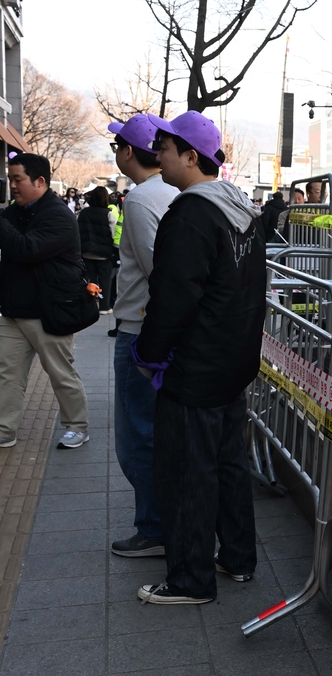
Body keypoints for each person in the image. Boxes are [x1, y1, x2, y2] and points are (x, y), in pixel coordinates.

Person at [131, 111, 265, 605]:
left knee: (188, 471)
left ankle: (190, 579)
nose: (158, 156)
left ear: (191, 156)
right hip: (233, 363)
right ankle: (237, 558)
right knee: (229, 464)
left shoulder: (189, 214)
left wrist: (147, 352)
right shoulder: (243, 210)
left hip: (195, 366)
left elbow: (173, 298)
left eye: (164, 148)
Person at [108, 113, 180, 558]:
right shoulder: (175, 193)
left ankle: (152, 526)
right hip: (161, 332)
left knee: (137, 435)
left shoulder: (139, 201)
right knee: (157, 432)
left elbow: (160, 272)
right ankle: (162, 519)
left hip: (140, 331)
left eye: (118, 145)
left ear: (128, 152)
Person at [0, 153, 91, 449]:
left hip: (50, 311)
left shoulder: (58, 215)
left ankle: (77, 426)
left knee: (60, 373)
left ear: (40, 181)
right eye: (10, 178)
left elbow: (27, 249)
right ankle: (5, 429)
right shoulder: (15, 212)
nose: (12, 185)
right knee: (7, 374)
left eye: (18, 179)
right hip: (14, 311)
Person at [78, 187, 116, 313]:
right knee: (105, 280)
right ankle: (104, 306)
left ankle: (89, 305)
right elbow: (113, 233)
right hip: (104, 253)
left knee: (89, 279)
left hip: (87, 251)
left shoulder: (84, 213)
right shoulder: (108, 213)